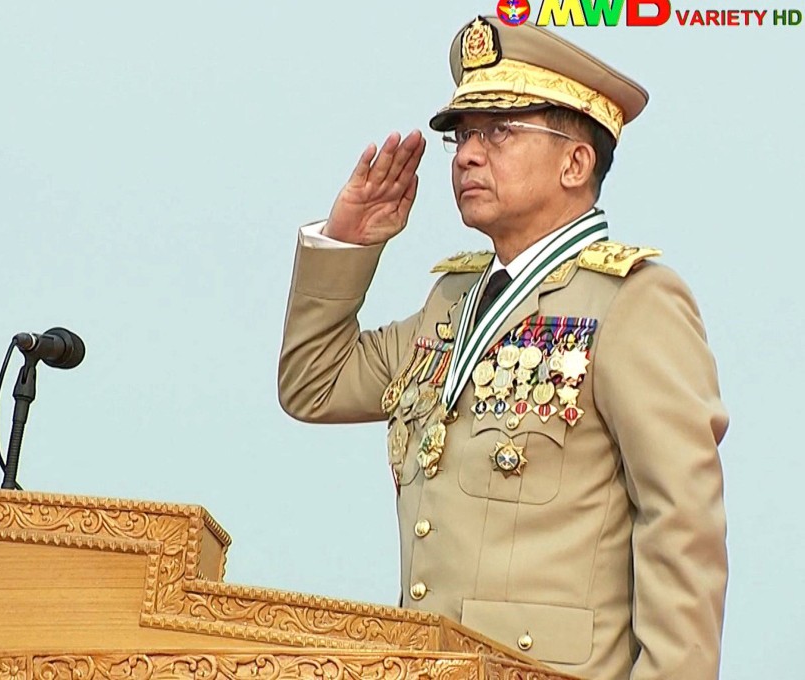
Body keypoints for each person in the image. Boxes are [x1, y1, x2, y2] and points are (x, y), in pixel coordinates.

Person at [277, 16, 727, 680]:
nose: (466, 154)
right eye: (463, 135)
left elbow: (681, 528)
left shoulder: (632, 303)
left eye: (500, 131)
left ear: (577, 162)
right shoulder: (452, 303)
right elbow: (314, 385)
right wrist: (348, 243)